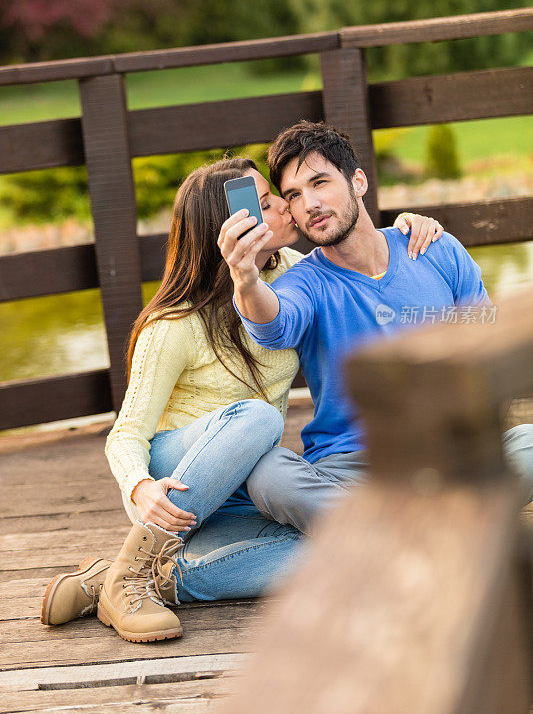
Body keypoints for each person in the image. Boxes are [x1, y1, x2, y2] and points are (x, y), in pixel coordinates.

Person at [40, 155, 443, 642]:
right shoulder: (174, 323)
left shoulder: (294, 274)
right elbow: (126, 433)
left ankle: (132, 580)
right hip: (181, 480)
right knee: (257, 418)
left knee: (345, 549)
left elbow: (354, 248)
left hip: (246, 492)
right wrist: (139, 488)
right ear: (228, 224)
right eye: (271, 203)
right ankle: (134, 568)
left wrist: (406, 232)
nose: (289, 210)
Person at [219, 120, 533, 534]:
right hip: (352, 467)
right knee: (269, 476)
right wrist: (245, 278)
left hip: (449, 451)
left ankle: (391, 529)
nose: (309, 203)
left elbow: (488, 347)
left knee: (528, 441)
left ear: (358, 182)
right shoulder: (303, 284)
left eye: (320, 183)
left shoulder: (436, 248)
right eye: (294, 195)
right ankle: (439, 523)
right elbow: (272, 323)